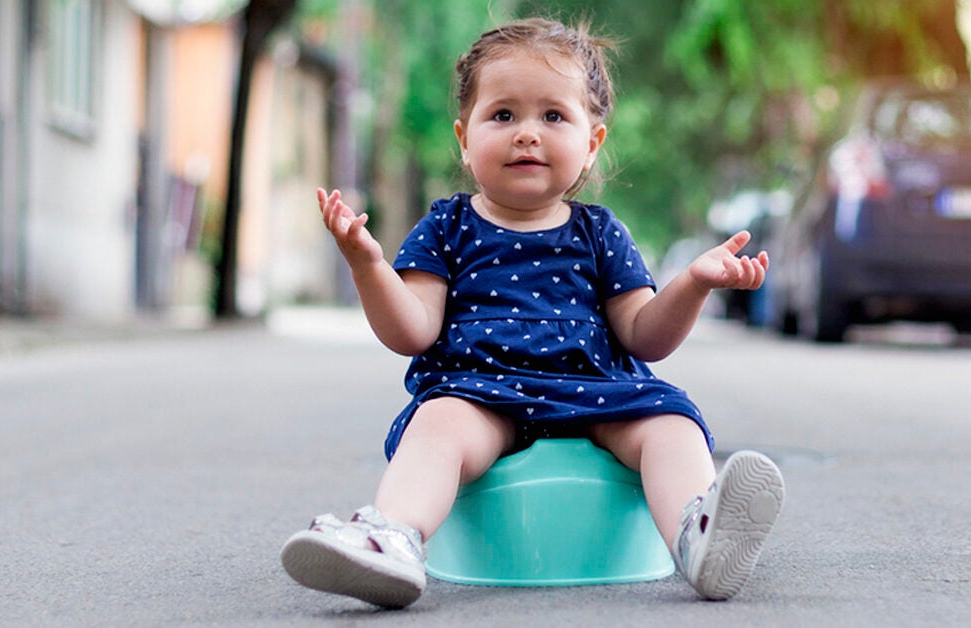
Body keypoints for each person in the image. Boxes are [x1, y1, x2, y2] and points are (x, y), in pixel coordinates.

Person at [281, 17, 785, 609]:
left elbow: (644, 337)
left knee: (672, 423)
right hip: (481, 393)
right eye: (503, 115)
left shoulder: (600, 232)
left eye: (553, 116)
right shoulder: (447, 225)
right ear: (464, 139)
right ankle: (392, 537)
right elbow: (412, 330)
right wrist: (368, 265)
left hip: (598, 394)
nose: (527, 134)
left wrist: (694, 283)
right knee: (437, 426)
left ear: (592, 143)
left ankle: (698, 534)